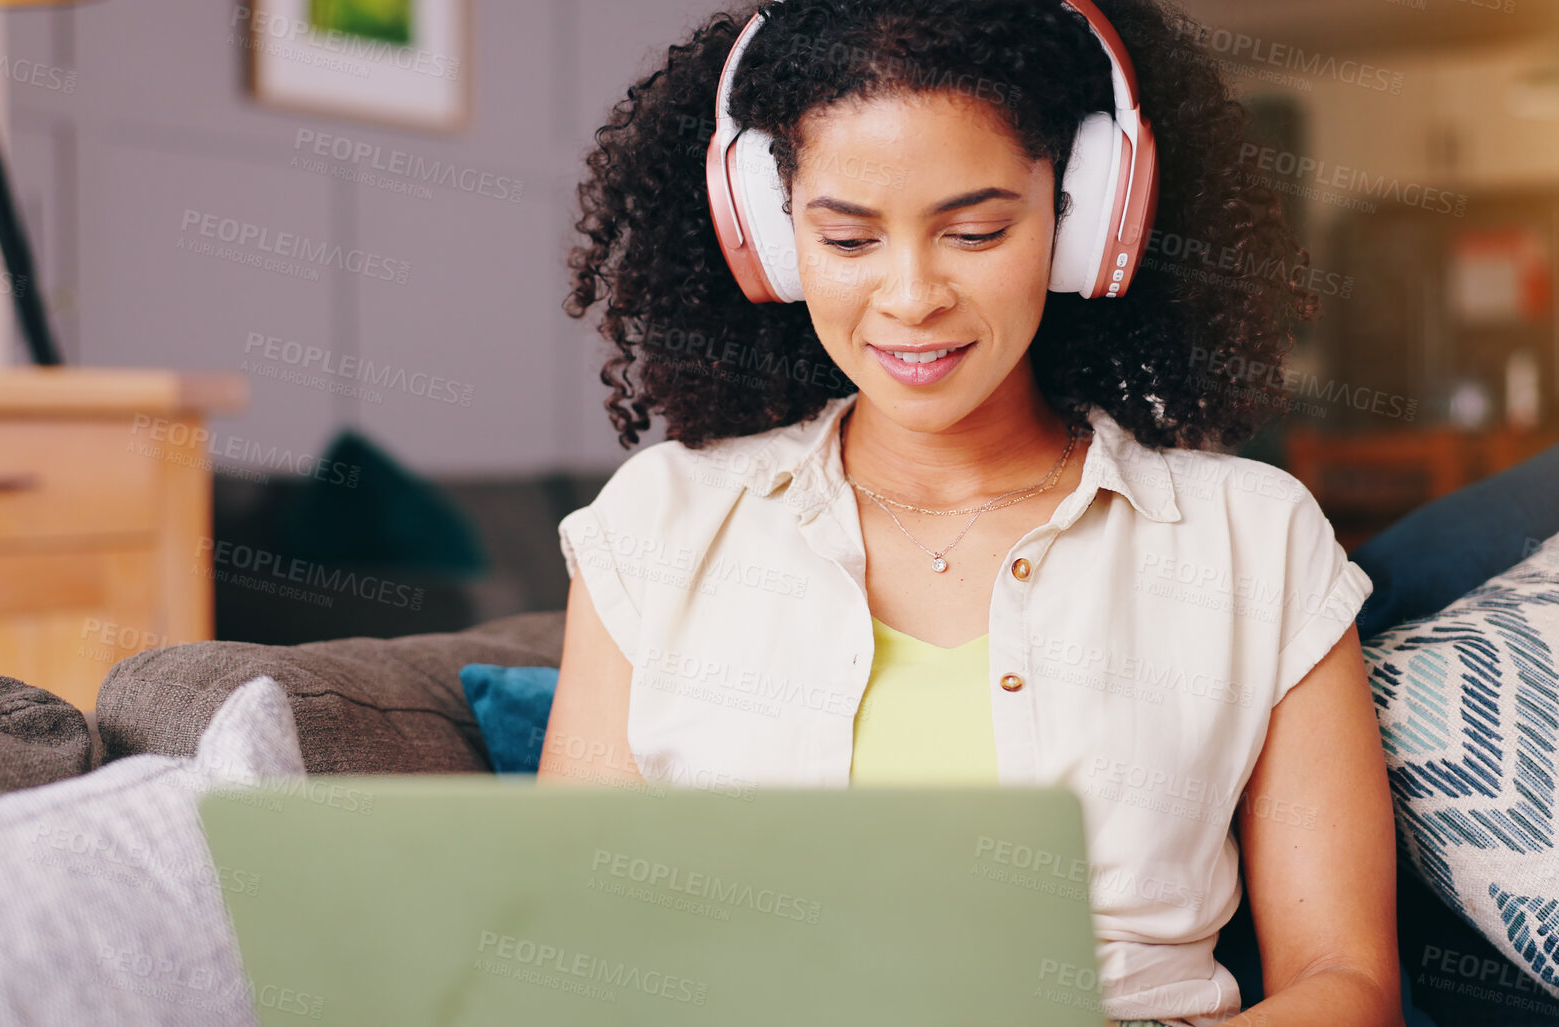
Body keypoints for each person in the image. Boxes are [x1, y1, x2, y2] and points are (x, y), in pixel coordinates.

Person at [538, 2, 1401, 1025]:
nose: (911, 296)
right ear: (770, 241)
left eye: (975, 231)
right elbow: (573, 950)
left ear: (1087, 223)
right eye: (849, 238)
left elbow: (1346, 984)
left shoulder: (1252, 539)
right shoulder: (662, 524)